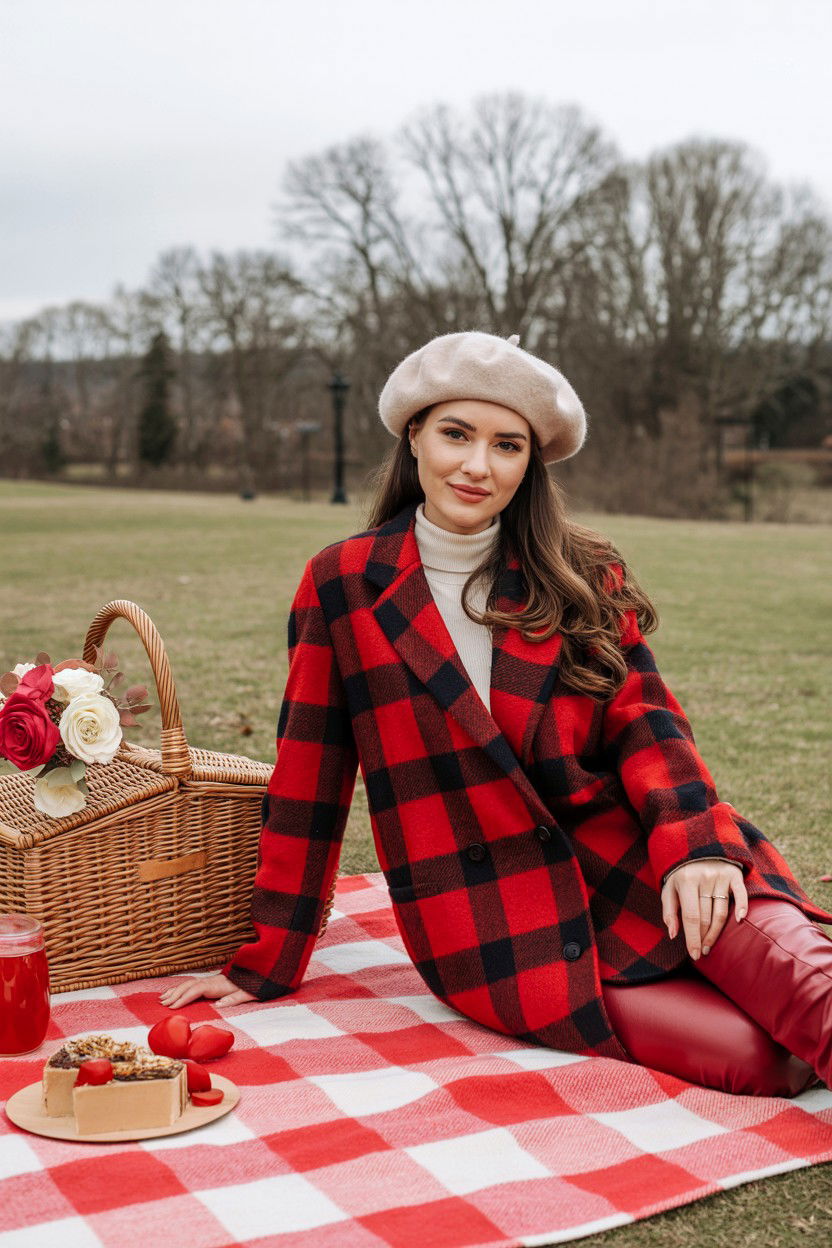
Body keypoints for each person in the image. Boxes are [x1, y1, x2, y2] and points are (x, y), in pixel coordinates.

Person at [161, 331, 832, 1097]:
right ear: (414, 434)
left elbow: (647, 719)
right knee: (762, 1061)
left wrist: (697, 848)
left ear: (529, 463)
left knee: (811, 999)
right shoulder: (343, 584)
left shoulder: (578, 571)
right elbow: (310, 783)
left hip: (639, 856)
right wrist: (266, 958)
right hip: (496, 920)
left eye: (507, 446)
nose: (478, 466)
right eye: (456, 434)